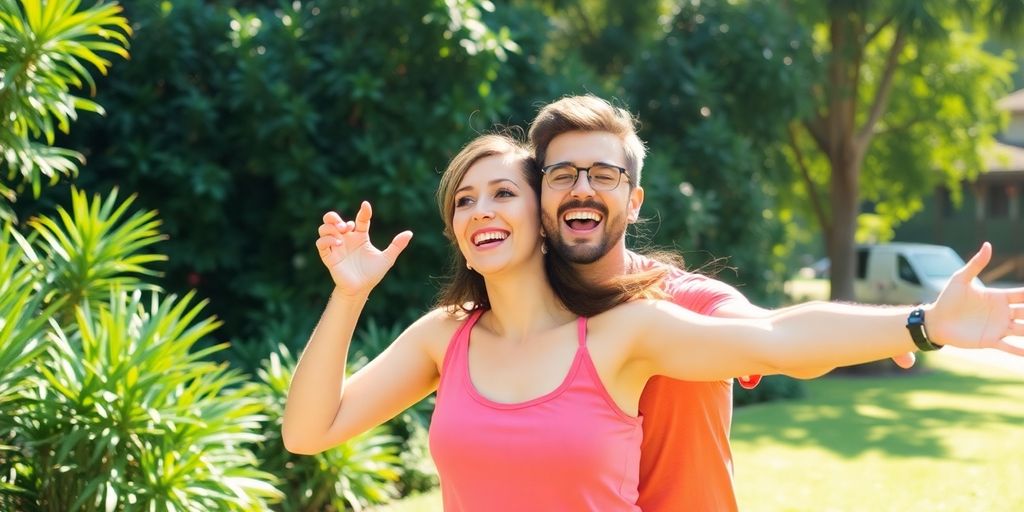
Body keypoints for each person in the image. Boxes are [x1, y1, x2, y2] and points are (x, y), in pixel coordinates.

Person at [282, 133, 1023, 511]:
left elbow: (777, 336)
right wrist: (348, 295)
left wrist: (924, 323)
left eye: (502, 193)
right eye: (464, 199)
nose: (480, 211)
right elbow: (308, 432)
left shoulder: (624, 332)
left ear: (542, 216)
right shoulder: (445, 336)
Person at [526, 95, 916, 511]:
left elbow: (786, 342)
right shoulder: (518, 318)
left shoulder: (688, 300)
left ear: (634, 202)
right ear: (539, 197)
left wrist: (915, 325)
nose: (582, 188)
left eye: (604, 175)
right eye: (562, 174)